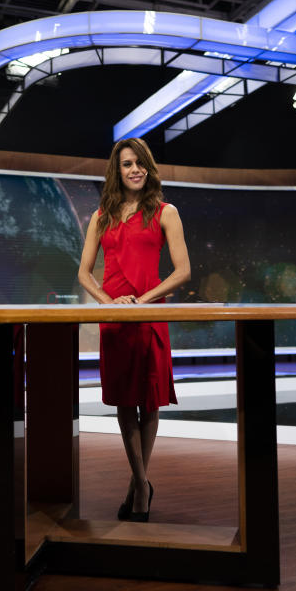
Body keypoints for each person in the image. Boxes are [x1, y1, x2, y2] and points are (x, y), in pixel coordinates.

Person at [77, 138, 191, 522]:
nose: (135, 170)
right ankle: (142, 483)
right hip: (115, 320)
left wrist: (143, 300)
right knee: (125, 403)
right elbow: (84, 273)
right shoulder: (101, 216)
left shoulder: (165, 212)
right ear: (118, 170)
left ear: (149, 167)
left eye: (140, 163)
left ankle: (138, 486)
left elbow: (182, 271)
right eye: (127, 164)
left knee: (149, 403)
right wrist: (110, 303)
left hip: (148, 316)